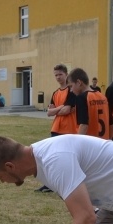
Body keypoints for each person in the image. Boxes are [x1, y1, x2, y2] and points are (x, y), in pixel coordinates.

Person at [37, 63, 76, 193]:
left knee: (67, 159)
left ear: (66, 75)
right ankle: (50, 184)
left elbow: (67, 110)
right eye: (56, 75)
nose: (58, 77)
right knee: (52, 157)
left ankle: (66, 184)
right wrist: (61, 107)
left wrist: (57, 110)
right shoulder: (55, 93)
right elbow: (49, 112)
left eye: (60, 74)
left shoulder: (71, 90)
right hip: (56, 128)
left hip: (69, 129)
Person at [64, 67, 113, 139]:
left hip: (90, 143)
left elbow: (83, 125)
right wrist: (109, 140)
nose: (71, 90)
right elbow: (112, 123)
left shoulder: (81, 98)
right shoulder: (102, 96)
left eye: (71, 86)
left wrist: (78, 143)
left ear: (79, 82)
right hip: (103, 142)